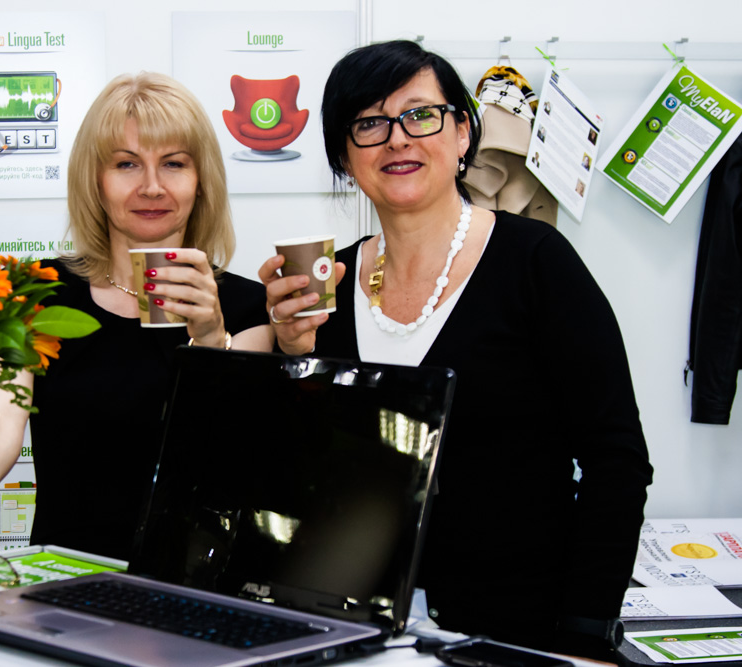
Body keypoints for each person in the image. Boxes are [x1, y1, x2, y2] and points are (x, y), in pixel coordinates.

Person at [258, 40, 652, 660]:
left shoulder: (536, 262)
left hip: (512, 630)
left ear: (463, 132)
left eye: (421, 115)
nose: (397, 139)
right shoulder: (324, 284)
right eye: (369, 124)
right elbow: (300, 478)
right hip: (347, 625)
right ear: (343, 156)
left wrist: (587, 632)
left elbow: (616, 461)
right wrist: (292, 358)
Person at [0, 72, 272, 576]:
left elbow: (230, 462)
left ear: (201, 181)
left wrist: (210, 340)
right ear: (95, 180)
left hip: (199, 587)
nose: (152, 186)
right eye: (126, 164)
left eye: (174, 163)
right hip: (66, 580)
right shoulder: (37, 295)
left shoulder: (245, 308)